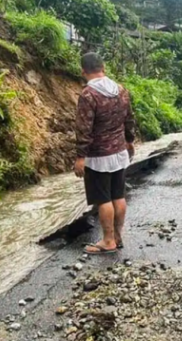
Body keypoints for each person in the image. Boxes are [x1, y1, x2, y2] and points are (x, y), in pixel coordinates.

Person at [74, 52, 136, 255]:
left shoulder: (88, 95)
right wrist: (129, 140)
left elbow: (84, 128)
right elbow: (129, 119)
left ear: (83, 71)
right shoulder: (121, 90)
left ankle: (108, 240)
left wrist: (80, 157)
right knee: (118, 195)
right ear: (104, 68)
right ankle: (118, 236)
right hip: (119, 152)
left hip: (98, 157)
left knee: (103, 199)